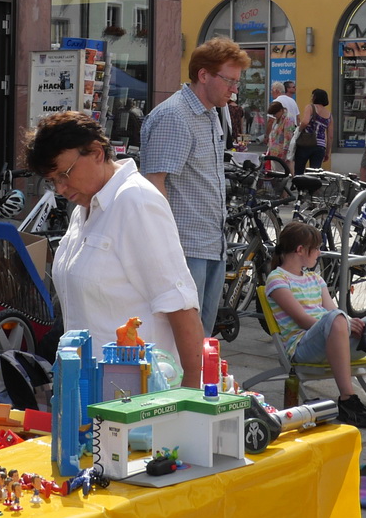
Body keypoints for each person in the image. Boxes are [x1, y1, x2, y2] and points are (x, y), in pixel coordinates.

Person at [27, 110, 203, 376]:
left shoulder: (136, 201)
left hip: (136, 390)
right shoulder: (85, 206)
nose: (60, 188)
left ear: (97, 153)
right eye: (53, 181)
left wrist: (192, 392)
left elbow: (179, 305)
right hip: (89, 384)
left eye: (65, 174)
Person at [264, 221, 366, 427]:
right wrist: (342, 323)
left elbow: (331, 311)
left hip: (333, 339)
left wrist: (349, 324)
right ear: (300, 250)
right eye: (316, 248)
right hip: (303, 347)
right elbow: (303, 320)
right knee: (337, 317)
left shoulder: (315, 279)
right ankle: (347, 400)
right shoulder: (277, 279)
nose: (319, 253)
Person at [140, 37, 250, 335]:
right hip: (184, 249)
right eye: (229, 80)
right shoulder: (175, 116)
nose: (234, 89)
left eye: (237, 82)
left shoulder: (210, 112)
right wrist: (165, 247)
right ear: (203, 75)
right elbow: (153, 185)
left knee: (201, 340)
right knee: (181, 341)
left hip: (210, 244)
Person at [293, 88, 331, 174]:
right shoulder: (329, 115)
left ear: (315, 97)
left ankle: (299, 183)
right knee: (314, 173)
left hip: (306, 143)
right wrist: (327, 152)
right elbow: (330, 136)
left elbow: (305, 122)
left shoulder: (310, 107)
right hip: (320, 146)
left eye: (312, 96)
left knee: (299, 170)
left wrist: (298, 130)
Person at [263, 100, 292, 167]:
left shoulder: (288, 119)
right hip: (274, 152)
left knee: (280, 171)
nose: (274, 116)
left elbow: (288, 138)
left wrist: (285, 153)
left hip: (281, 154)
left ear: (281, 110)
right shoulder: (278, 119)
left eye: (275, 114)